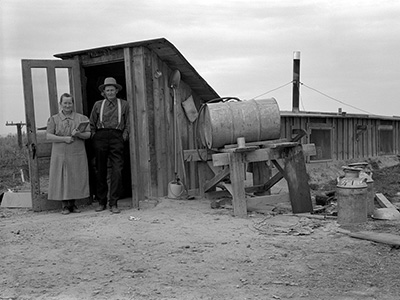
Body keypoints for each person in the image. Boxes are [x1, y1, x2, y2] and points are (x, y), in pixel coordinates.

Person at [89, 77, 129, 214]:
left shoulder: (124, 104)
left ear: (116, 91)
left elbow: (128, 123)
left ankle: (114, 202)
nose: (110, 92)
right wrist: (95, 136)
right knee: (101, 170)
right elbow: (91, 123)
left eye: (112, 90)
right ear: (104, 92)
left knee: (117, 170)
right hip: (101, 137)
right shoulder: (98, 105)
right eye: (108, 90)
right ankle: (101, 202)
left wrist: (123, 137)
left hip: (117, 137)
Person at [46, 93, 91, 214]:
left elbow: (88, 134)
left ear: (73, 104)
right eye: (65, 103)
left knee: (75, 176)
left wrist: (79, 134)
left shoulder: (81, 118)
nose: (67, 105)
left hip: (77, 152)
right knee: (62, 177)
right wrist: (64, 139)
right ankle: (65, 205)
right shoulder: (54, 119)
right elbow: (48, 136)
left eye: (69, 103)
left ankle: (73, 204)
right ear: (61, 104)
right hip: (60, 153)